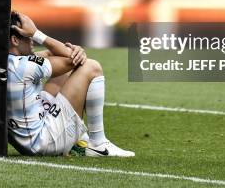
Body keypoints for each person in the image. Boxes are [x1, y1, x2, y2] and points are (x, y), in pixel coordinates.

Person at [7, 10, 134, 157]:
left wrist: (75, 51)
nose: (32, 41)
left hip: (26, 141)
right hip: (43, 142)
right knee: (91, 67)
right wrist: (37, 33)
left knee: (65, 73)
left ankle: (79, 139)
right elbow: (72, 59)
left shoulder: (8, 63)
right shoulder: (27, 66)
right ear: (15, 41)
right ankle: (98, 144)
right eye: (28, 37)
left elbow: (51, 54)